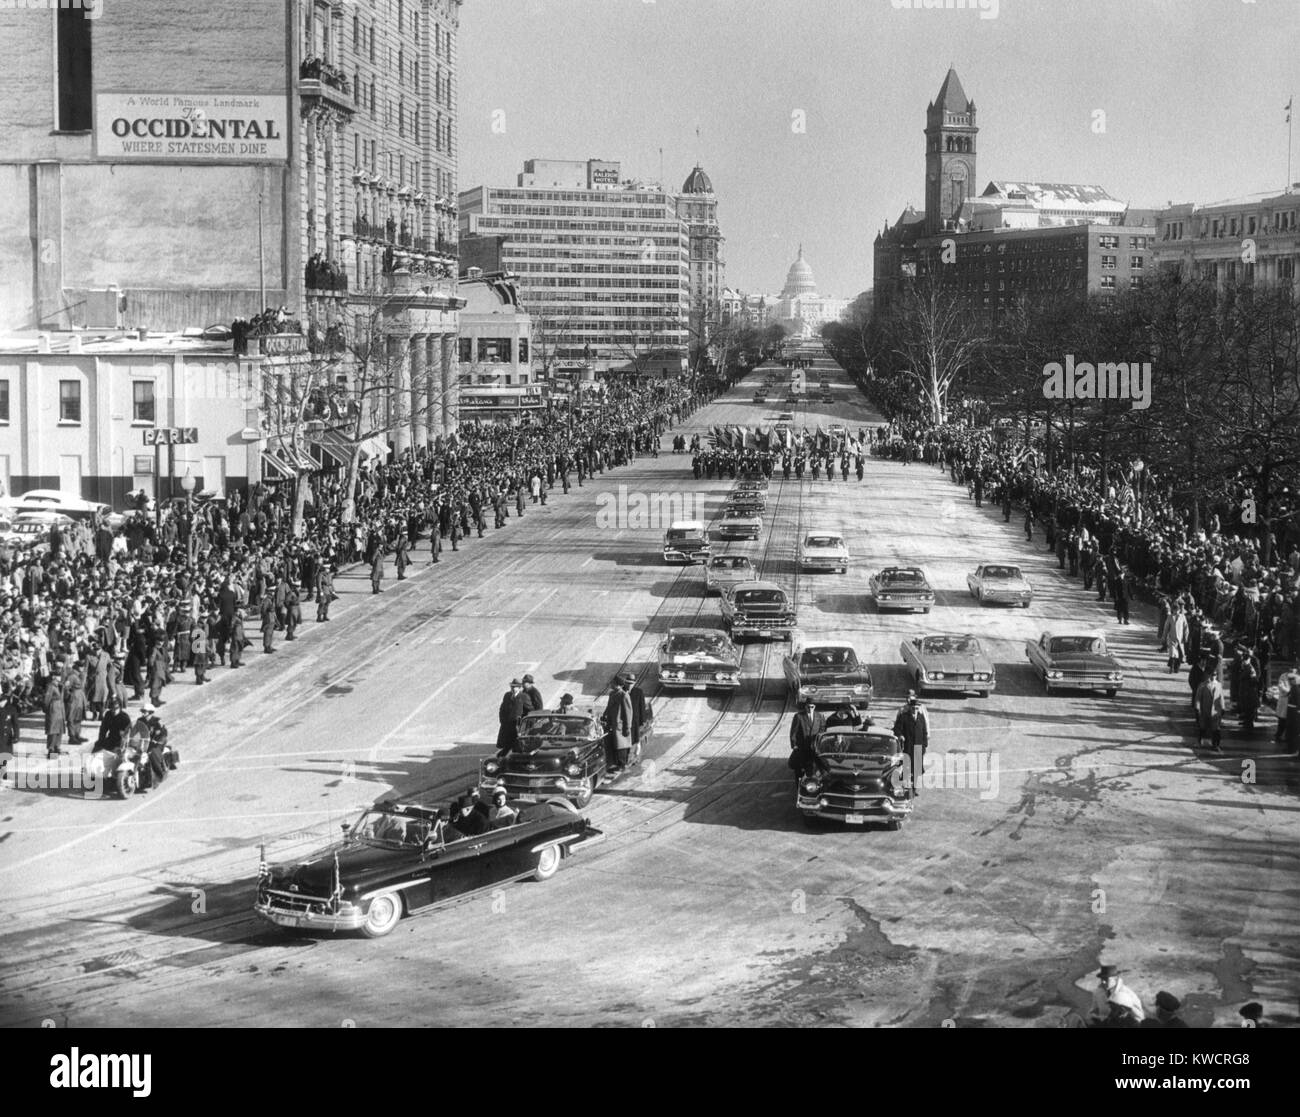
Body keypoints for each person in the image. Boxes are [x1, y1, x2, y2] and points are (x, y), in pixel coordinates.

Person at [892, 691, 930, 792]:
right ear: (910, 708)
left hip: (918, 747)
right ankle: (903, 787)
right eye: (913, 708)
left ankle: (914, 788)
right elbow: (896, 729)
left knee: (916, 769)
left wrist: (924, 745)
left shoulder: (921, 717)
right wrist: (900, 736)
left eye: (916, 709)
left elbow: (924, 731)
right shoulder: (903, 716)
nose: (915, 710)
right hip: (907, 746)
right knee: (906, 767)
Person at [788, 699, 827, 781]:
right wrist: (794, 745)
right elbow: (793, 732)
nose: (810, 708)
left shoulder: (819, 716)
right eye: (808, 707)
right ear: (805, 707)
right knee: (799, 770)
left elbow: (822, 729)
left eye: (812, 707)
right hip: (802, 748)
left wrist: (819, 743)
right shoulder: (798, 716)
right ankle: (799, 787)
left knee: (816, 768)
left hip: (814, 748)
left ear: (814, 707)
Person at [603, 677, 634, 771]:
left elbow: (628, 712)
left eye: (612, 683)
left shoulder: (624, 696)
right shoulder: (612, 694)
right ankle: (616, 763)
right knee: (615, 744)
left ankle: (622, 764)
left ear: (618, 684)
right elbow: (608, 707)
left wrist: (628, 727)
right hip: (612, 723)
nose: (610, 684)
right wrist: (605, 715)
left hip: (620, 725)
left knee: (622, 745)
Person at [1195, 671, 1225, 753]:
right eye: (1212, 675)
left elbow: (1221, 697)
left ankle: (1215, 745)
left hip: (1215, 711)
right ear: (1209, 675)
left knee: (1216, 729)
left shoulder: (1218, 685)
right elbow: (1198, 698)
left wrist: (1223, 708)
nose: (1213, 677)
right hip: (1205, 710)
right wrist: (1197, 708)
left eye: (1215, 675)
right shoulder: (1203, 685)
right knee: (1202, 727)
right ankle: (1199, 741)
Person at [496, 679, 526, 757]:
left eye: (515, 687)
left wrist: (523, 724)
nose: (513, 688)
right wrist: (502, 720)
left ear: (520, 688)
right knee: (506, 746)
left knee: (518, 747)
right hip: (507, 726)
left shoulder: (523, 697)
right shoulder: (507, 695)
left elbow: (529, 710)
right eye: (512, 686)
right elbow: (502, 709)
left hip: (517, 727)